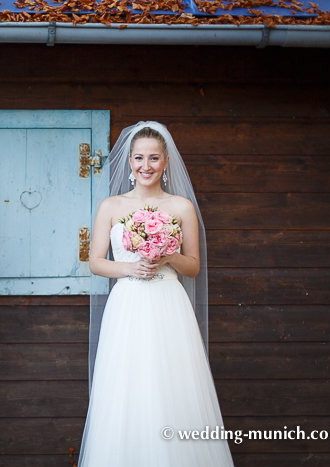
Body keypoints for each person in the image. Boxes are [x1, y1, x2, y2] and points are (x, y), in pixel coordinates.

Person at [78, 122, 234, 466]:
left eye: (153, 158)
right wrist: (131, 268)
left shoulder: (180, 208)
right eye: (138, 158)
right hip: (127, 303)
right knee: (126, 384)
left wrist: (167, 256)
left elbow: (192, 266)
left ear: (165, 162)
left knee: (171, 385)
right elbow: (95, 262)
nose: (145, 165)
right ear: (129, 162)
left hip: (168, 302)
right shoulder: (111, 206)